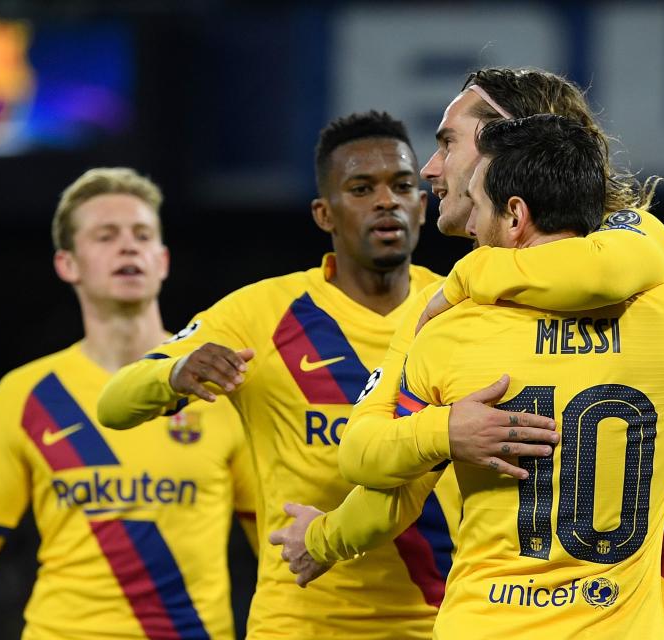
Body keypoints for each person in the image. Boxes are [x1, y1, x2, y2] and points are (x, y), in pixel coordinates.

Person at [271, 68, 664, 639]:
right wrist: (446, 431)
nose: (429, 168)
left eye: (448, 142)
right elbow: (394, 478)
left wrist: (467, 275)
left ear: (507, 143)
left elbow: (604, 267)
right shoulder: (636, 279)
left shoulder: (460, 304)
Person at [368, 113, 664, 638]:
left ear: (515, 215)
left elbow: (370, 462)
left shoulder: (449, 331)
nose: (471, 226)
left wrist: (438, 431)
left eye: (479, 207)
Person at [98, 112, 461, 639]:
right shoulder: (262, 313)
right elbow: (113, 403)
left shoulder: (457, 307)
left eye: (403, 186)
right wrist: (175, 372)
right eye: (361, 188)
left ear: (423, 205)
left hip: (443, 621)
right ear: (324, 214)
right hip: (301, 621)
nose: (387, 201)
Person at [0, 168, 257, 640]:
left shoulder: (219, 383)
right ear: (67, 264)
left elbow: (271, 537)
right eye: (105, 235)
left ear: (162, 260)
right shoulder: (29, 394)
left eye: (142, 235)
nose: (128, 246)